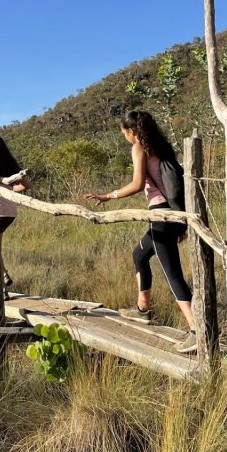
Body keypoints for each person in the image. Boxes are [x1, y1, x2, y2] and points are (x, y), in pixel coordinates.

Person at [83, 110, 197, 354]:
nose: (125, 136)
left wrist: (108, 196)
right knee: (139, 255)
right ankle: (142, 310)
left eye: (125, 132)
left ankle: (196, 329)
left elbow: (136, 185)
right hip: (172, 214)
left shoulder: (138, 147)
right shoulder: (161, 147)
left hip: (160, 215)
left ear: (131, 131)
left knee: (172, 273)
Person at [0, 133, 32, 288]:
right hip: (10, 211)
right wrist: (10, 189)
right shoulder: (10, 163)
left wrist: (3, 186)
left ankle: (3, 278)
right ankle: (3, 286)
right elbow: (26, 185)